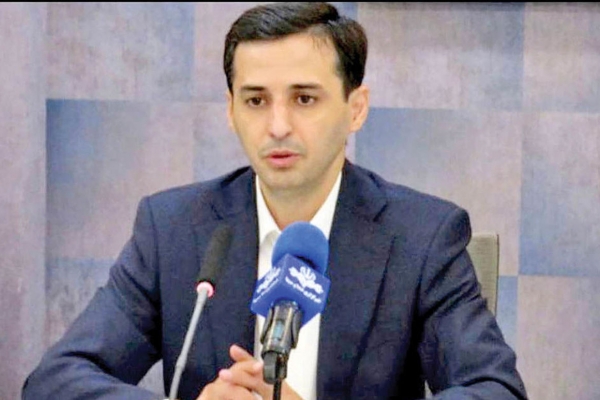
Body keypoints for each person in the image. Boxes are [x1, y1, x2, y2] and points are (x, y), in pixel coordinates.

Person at [22, 3, 528, 400]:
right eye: (256, 100)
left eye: (304, 98)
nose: (278, 125)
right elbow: (56, 381)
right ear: (231, 111)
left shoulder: (421, 237)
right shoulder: (173, 229)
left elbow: (495, 390)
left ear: (356, 108)